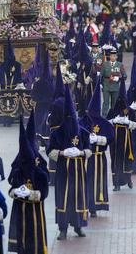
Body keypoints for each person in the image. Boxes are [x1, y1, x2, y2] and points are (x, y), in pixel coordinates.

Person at [48, 89, 91, 240]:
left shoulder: (83, 132)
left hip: (78, 171)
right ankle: (63, 229)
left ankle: (78, 226)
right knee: (63, 198)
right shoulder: (57, 133)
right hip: (63, 172)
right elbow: (50, 152)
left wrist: (80, 153)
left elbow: (89, 150)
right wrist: (62, 153)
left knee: (78, 197)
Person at [8, 114, 49, 253]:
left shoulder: (40, 165)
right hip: (20, 207)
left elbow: (44, 188)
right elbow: (11, 183)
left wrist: (32, 194)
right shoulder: (18, 165)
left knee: (35, 235)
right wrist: (17, 192)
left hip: (35, 209)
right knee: (21, 235)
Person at [79, 76, 115, 217]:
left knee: (98, 182)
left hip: (99, 158)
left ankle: (96, 205)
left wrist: (99, 139)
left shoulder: (104, 123)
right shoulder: (83, 122)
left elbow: (111, 138)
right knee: (87, 181)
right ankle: (88, 205)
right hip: (88, 158)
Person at [107, 80, 135, 191]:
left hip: (127, 140)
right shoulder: (112, 111)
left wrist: (128, 123)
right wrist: (114, 120)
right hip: (115, 141)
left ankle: (128, 180)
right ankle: (117, 183)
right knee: (116, 160)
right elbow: (106, 123)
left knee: (127, 159)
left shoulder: (130, 111)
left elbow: (135, 125)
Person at [101, 49, 127, 116]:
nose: (113, 57)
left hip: (115, 86)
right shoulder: (105, 64)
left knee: (114, 103)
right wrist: (101, 84)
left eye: (114, 56)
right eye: (111, 56)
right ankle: (104, 116)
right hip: (106, 85)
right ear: (109, 56)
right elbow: (101, 75)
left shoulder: (120, 65)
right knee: (105, 102)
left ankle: (113, 116)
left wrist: (119, 78)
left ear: (116, 57)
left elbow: (125, 76)